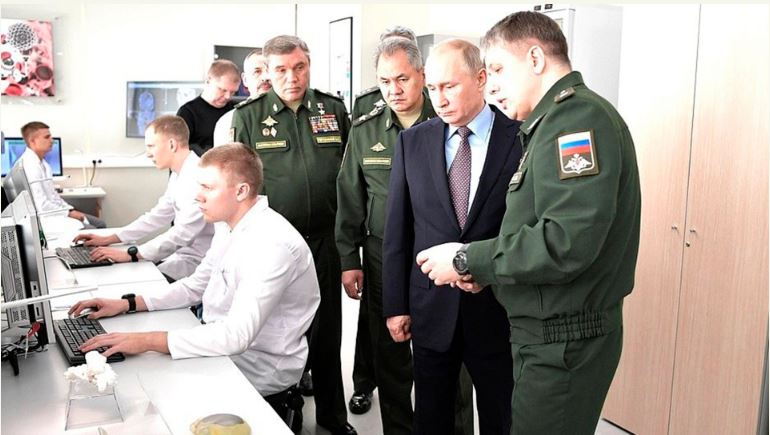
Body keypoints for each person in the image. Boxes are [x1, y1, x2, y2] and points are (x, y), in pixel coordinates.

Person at [416, 11, 642, 435]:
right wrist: (487, 274)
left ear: (536, 59)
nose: (491, 85)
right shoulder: (548, 124)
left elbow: (565, 241)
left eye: (499, 69)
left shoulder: (575, 121)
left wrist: (467, 259)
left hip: (562, 339)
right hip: (546, 333)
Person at [70, 143, 320, 431]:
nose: (197, 195)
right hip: (223, 352)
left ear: (241, 191)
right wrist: (129, 303)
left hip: (255, 372)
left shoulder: (271, 244)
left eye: (208, 188)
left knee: (140, 397)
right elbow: (196, 285)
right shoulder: (228, 225)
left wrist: (147, 340)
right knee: (133, 387)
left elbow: (236, 336)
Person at [382, 39, 521, 435]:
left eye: (450, 86)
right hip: (431, 307)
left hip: (497, 308)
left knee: (501, 416)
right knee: (432, 418)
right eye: (432, 88)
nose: (439, 100)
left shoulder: (520, 138)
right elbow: (398, 229)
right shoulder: (413, 142)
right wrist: (396, 305)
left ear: (481, 79)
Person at [231, 35, 355, 435]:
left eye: (299, 67)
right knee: (279, 333)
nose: (292, 77)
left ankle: (333, 418)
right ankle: (286, 408)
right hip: (275, 247)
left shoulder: (332, 109)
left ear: (309, 66)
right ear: (268, 72)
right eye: (282, 70)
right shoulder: (250, 117)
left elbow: (350, 176)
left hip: (324, 240)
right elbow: (239, 188)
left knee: (328, 333)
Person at [335, 35, 435, 434]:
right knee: (390, 352)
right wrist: (349, 260)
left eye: (402, 79)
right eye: (384, 81)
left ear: (421, 75)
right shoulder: (366, 129)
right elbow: (350, 197)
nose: (393, 90)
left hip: (436, 254)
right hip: (381, 255)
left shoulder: (447, 121)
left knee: (445, 355)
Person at [72, 116, 214, 282]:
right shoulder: (179, 174)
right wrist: (112, 237)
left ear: (172, 145)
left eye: (151, 146)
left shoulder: (198, 178)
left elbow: (182, 233)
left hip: (198, 264)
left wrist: (131, 254)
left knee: (129, 282)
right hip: (181, 257)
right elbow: (157, 216)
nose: (147, 154)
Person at [16, 121, 106, 228]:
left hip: (54, 213)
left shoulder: (44, 164)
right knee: (93, 229)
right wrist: (68, 213)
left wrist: (70, 210)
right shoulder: (30, 166)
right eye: (47, 137)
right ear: (32, 141)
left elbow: (53, 197)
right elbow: (42, 205)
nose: (52, 140)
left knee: (100, 224)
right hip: (45, 219)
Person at [177, 60, 241, 156]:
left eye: (233, 92)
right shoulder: (188, 113)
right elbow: (180, 150)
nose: (228, 96)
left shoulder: (237, 110)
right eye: (222, 90)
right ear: (208, 81)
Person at [212, 49, 272, 147]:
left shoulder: (293, 116)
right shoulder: (228, 122)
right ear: (245, 79)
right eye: (257, 72)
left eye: (270, 71)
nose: (265, 77)